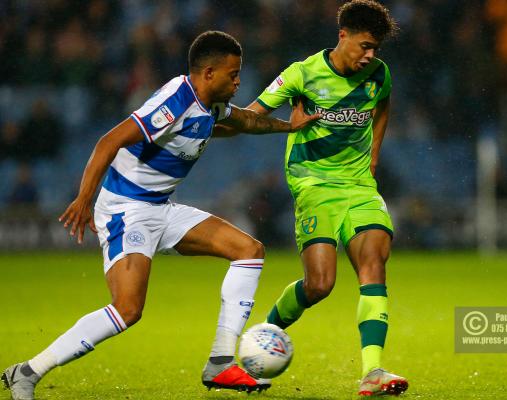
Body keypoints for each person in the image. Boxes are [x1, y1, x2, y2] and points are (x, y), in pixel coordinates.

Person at [1, 30, 319, 400]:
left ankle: (220, 362)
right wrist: (84, 199)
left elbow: (246, 121)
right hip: (126, 211)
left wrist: (288, 126)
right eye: (233, 74)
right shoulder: (176, 100)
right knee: (128, 309)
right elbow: (109, 140)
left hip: (161, 207)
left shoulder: (210, 105)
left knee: (249, 250)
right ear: (210, 73)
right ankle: (27, 371)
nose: (238, 81)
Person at [215, 0, 408, 396]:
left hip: (358, 188)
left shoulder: (378, 73)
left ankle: (373, 371)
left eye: (376, 49)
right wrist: (288, 125)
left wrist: (373, 153)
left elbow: (384, 102)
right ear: (343, 35)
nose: (370, 55)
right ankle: (266, 334)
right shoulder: (301, 74)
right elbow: (249, 116)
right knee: (320, 285)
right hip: (313, 185)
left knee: (374, 261)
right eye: (365, 46)